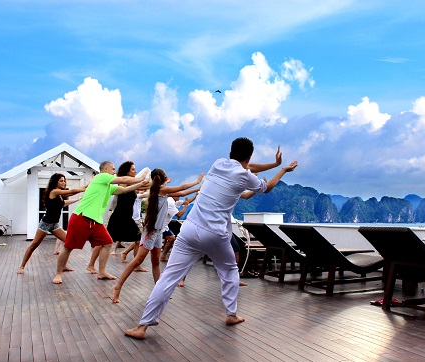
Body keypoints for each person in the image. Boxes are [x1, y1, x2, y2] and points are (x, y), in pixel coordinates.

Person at [124, 138, 297, 339]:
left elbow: (247, 165)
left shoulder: (217, 163)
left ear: (230, 152)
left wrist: (274, 164)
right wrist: (281, 170)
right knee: (230, 270)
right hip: (215, 234)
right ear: (249, 157)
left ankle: (142, 326)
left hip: (189, 229)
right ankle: (231, 314)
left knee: (169, 276)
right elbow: (267, 187)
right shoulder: (244, 176)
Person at [111, 169, 203, 303]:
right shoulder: (161, 189)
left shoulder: (159, 190)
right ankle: (117, 286)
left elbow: (182, 193)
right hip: (151, 232)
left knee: (155, 262)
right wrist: (197, 182)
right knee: (137, 260)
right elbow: (182, 188)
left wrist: (197, 190)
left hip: (158, 232)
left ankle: (159, 292)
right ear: (164, 179)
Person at [52, 161, 149, 284]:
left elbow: (125, 190)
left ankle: (102, 272)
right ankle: (58, 273)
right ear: (105, 169)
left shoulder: (107, 186)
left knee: (107, 243)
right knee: (68, 247)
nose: (114, 171)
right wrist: (140, 178)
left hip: (96, 221)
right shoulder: (101, 176)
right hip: (81, 217)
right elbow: (124, 179)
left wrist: (141, 183)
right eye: (113, 169)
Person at [17, 173, 86, 274]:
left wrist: (81, 195)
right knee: (34, 245)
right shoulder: (54, 191)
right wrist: (87, 187)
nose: (64, 182)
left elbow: (65, 202)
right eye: (61, 181)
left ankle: (63, 266)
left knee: (68, 243)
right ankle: (22, 266)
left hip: (54, 224)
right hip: (45, 223)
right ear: (55, 182)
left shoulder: (59, 195)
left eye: (64, 180)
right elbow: (72, 191)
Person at [159, 194, 196, 262]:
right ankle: (162, 255)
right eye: (178, 195)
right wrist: (185, 206)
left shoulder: (173, 200)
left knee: (170, 238)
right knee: (171, 238)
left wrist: (195, 195)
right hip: (161, 225)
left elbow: (187, 201)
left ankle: (163, 255)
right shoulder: (170, 202)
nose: (179, 197)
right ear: (173, 195)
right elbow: (179, 215)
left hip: (163, 225)